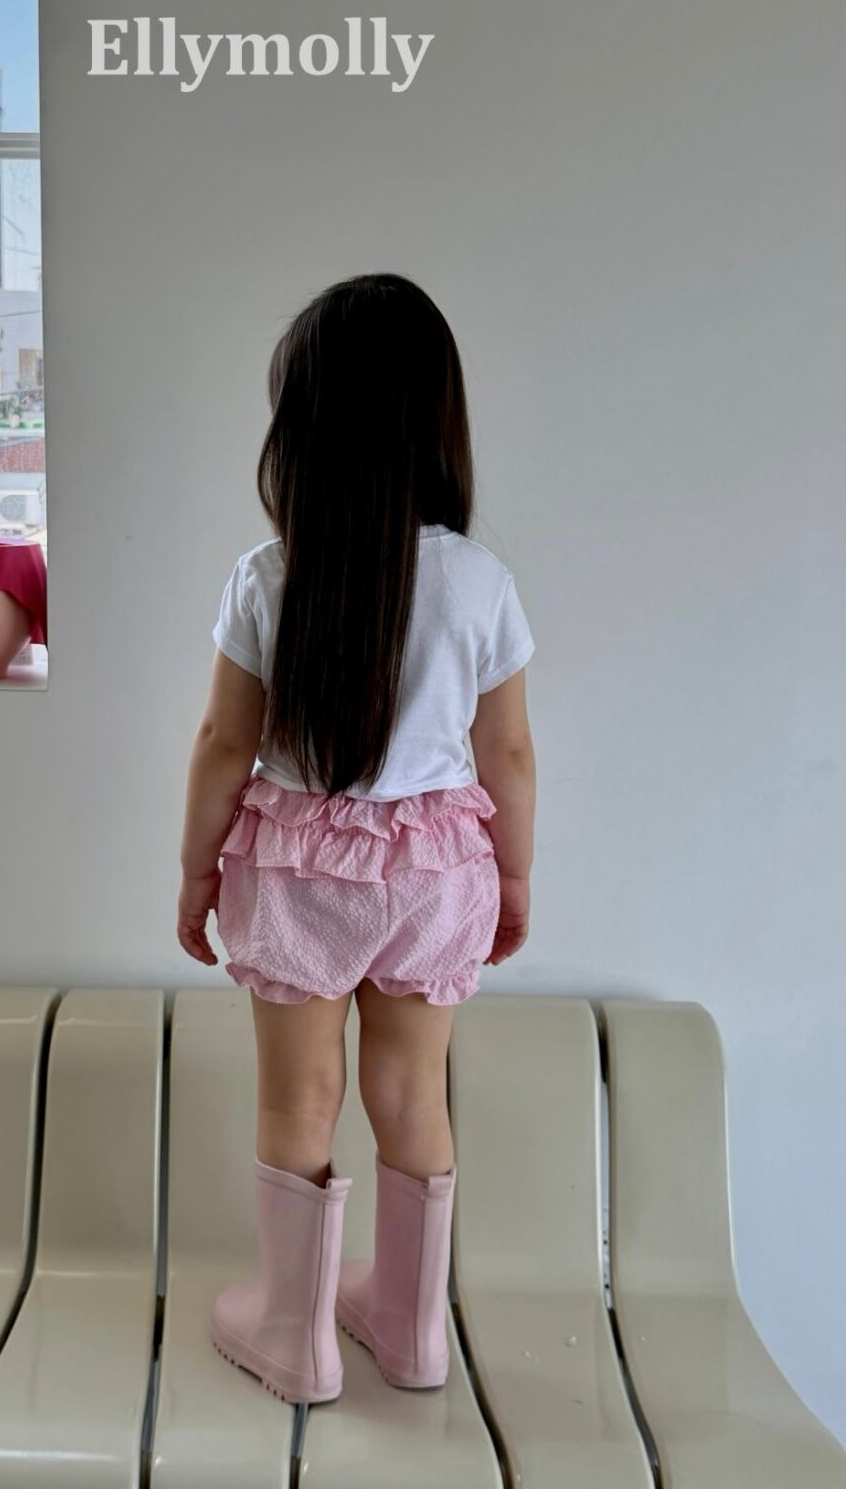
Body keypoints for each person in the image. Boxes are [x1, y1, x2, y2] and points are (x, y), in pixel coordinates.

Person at [176, 273, 537, 1405]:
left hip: (297, 871)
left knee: (299, 1096)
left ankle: (295, 1337)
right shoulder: (479, 580)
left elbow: (223, 743)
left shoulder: (269, 575)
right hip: (436, 869)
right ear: (439, 421)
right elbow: (508, 753)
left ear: (304, 427)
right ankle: (413, 1333)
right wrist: (513, 875)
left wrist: (196, 870)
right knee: (414, 1092)